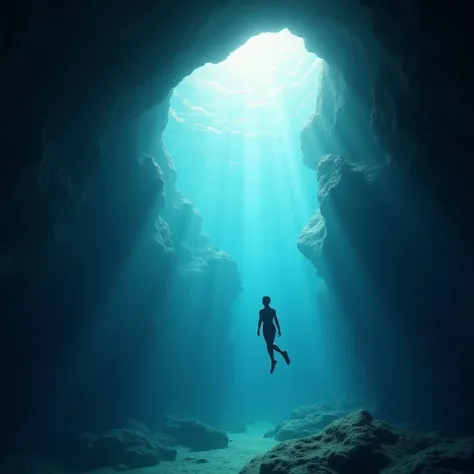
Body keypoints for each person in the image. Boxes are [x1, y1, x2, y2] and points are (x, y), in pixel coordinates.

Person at [257, 296, 291, 373]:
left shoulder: (272, 311)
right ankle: (279, 355)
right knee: (269, 345)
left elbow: (276, 320)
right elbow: (260, 320)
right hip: (265, 328)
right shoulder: (261, 311)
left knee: (269, 345)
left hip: (271, 328)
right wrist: (258, 329)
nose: (262, 301)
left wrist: (279, 329)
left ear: (267, 301)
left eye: (263, 300)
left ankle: (274, 360)